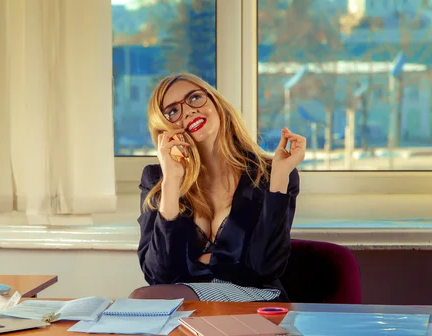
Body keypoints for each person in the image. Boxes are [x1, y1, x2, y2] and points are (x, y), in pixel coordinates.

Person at [129, 73, 305, 302]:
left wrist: (280, 177)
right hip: (187, 307)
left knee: (143, 299)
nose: (189, 111)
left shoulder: (272, 173)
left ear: (216, 103)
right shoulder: (157, 179)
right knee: (147, 299)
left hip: (254, 298)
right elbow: (158, 275)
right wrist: (172, 181)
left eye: (194, 98)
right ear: (164, 129)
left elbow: (264, 268)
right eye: (172, 111)